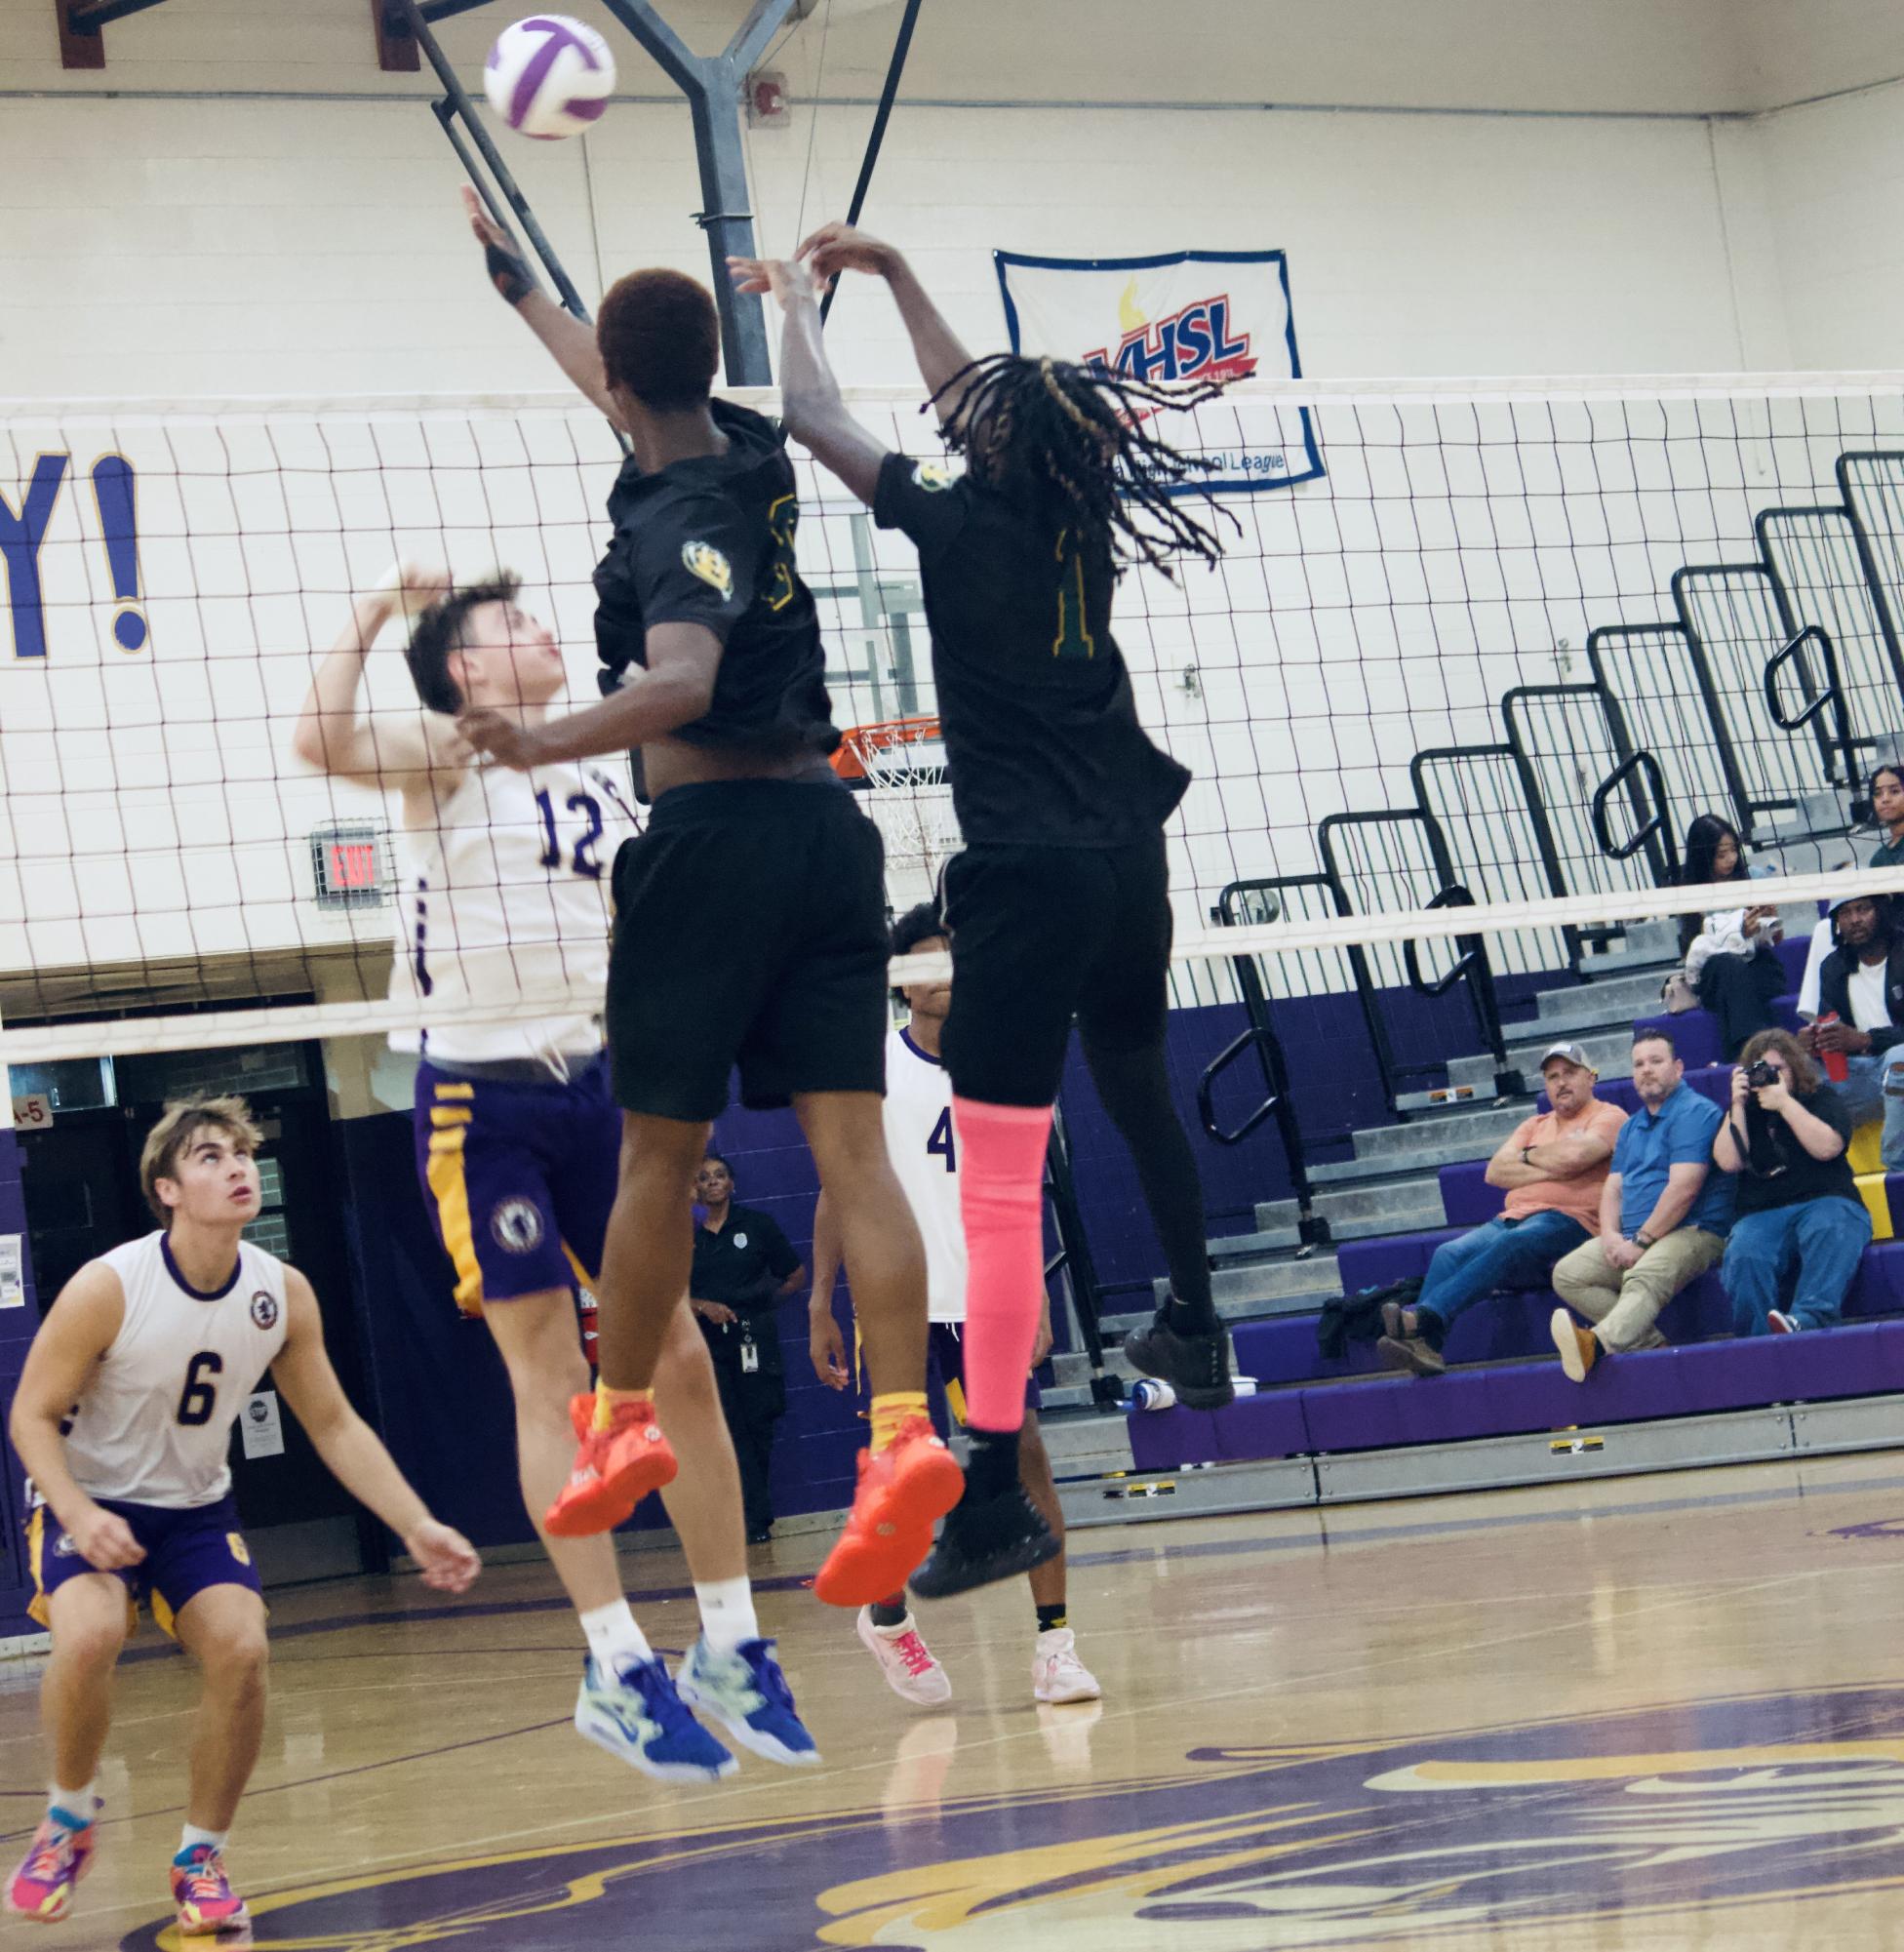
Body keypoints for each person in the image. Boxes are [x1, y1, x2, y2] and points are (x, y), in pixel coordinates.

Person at [453, 189, 963, 1605]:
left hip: (712, 839)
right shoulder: (738, 443)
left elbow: (677, 681)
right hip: (827, 834)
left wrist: (536, 737)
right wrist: (522, 290)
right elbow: (663, 388)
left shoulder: (675, 507)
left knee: (654, 1161)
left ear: (625, 385)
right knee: (852, 1150)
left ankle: (615, 1426)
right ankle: (903, 1429)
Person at [732, 226, 1231, 1598]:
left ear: (999, 445)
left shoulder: (958, 531)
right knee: (1136, 1088)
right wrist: (891, 277)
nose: (965, 419)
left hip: (1027, 877)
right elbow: (984, 405)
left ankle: (1001, 1486)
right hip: (1134, 857)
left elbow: (813, 416)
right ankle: (1195, 1317)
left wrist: (793, 308)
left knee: (1003, 1194)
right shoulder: (1086, 512)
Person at [290, 569, 818, 1780]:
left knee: (674, 1353)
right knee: (557, 1376)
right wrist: (376, 608)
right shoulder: (448, 751)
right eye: (508, 627)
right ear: (465, 671)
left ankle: (731, 1640)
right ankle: (615, 1660)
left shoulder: (593, 760)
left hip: (600, 1086)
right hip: (484, 1100)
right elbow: (318, 738)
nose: (538, 632)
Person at [5, 1096, 481, 1933]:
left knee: (244, 1648)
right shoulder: (109, 1286)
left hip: (190, 1507)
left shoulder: (281, 1293)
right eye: (210, 1156)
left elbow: (333, 1423)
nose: (236, 1167)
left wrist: (416, 1523)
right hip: (88, 1491)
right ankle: (67, 1820)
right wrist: (77, 1512)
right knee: (89, 1633)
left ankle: (201, 1857)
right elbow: (29, 1416)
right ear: (167, 1189)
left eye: (242, 1153)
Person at [809, 904, 1102, 1707]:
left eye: (956, 959)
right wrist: (820, 1302)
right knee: (911, 1476)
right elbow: (839, 1188)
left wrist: (1034, 1281)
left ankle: (1056, 1645)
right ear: (902, 979)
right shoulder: (871, 1065)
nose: (949, 975)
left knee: (1026, 1453)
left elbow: (1017, 1185)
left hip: (982, 1296)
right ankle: (888, 1616)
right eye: (931, 962)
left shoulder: (998, 1059)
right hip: (897, 1301)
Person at [1378, 1043, 1625, 1375]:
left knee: (1512, 1242)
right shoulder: (1534, 1124)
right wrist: (1551, 1161)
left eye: (1570, 1073)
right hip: (1513, 1217)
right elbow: (1495, 1172)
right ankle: (1427, 1346)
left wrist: (1528, 1157)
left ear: (1590, 1078)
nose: (1561, 1082)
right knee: (1447, 1254)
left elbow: (1577, 1157)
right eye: (1552, 1077)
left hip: (1572, 1221)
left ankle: (1423, 1320)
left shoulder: (1609, 1116)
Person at [1549, 1029, 1733, 1378]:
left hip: (1695, 1231)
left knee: (1642, 1273)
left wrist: (1641, 1242)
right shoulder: (1631, 1126)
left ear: (1678, 1068)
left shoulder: (1696, 1112)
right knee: (1568, 1273)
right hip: (1637, 1234)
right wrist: (1610, 1236)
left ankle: (1595, 1344)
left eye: (1656, 1061)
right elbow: (1612, 1190)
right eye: (1638, 1064)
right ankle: (1649, 1345)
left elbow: (1684, 1189)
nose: (1646, 1070)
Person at [1714, 1028, 1870, 1335]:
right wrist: (1737, 1105)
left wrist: (1785, 1103)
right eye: (1761, 1071)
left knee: (1830, 1227)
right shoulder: (1744, 1111)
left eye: (1778, 1069)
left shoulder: (1820, 1098)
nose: (1770, 1077)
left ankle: (1808, 1320)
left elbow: (1828, 1148)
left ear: (1795, 1069)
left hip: (1826, 1200)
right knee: (1744, 1252)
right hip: (1762, 1211)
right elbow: (1728, 1161)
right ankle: (1756, 1341)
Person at [690, 1153, 805, 1542]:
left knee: (759, 1426)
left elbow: (795, 1274)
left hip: (755, 1340)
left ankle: (754, 1514)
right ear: (696, 1189)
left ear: (732, 1184)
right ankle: (751, 1519)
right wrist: (702, 1306)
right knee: (728, 1428)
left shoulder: (757, 1227)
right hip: (710, 1346)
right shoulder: (687, 1239)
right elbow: (670, 1294)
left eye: (720, 1175)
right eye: (704, 1178)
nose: (713, 1182)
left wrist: (763, 1305)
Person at [1799, 892, 1904, 1167]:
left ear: (1881, 910)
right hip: (1860, 1076)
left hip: (1895, 1067)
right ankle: (1812, 1178)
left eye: (1863, 909)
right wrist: (1813, 1043)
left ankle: (1895, 1169)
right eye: (1845, 913)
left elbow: (1861, 1041)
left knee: (1899, 1060)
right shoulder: (1832, 967)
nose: (1855, 920)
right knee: (1794, 1072)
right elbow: (1830, 1028)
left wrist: (1865, 1040)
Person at [1674, 815, 1783, 1061]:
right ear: (1704, 855)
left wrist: (1770, 919)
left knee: (1760, 966)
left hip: (1754, 967)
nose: (1731, 859)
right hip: (1715, 974)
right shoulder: (1692, 892)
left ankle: (1746, 1053)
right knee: (1728, 966)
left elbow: (1778, 940)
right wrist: (1738, 933)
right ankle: (1756, 1051)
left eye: (1733, 850)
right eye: (1721, 854)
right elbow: (1697, 950)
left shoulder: (1752, 876)